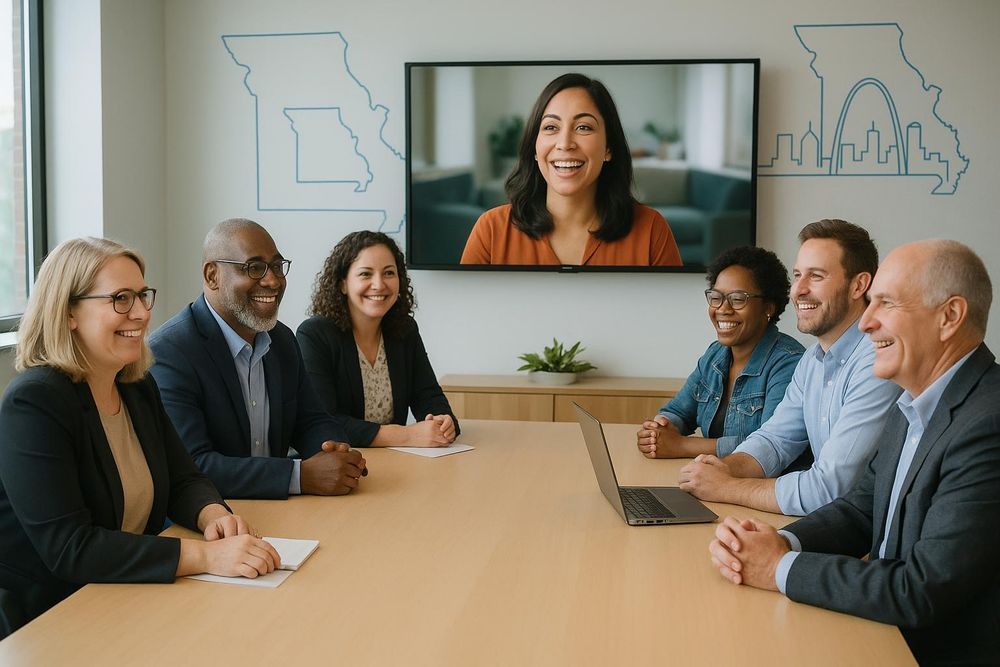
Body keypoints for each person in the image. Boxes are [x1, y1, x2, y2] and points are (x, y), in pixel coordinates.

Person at [709, 240, 1000, 664]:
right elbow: (861, 510)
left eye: (885, 303)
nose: (866, 322)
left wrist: (778, 568)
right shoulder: (914, 400)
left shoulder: (988, 423)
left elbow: (921, 589)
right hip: (883, 627)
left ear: (949, 317)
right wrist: (781, 542)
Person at [0, 238, 281, 633]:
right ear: (68, 314)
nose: (141, 313)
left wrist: (212, 513)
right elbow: (70, 549)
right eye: (120, 299)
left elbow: (183, 478)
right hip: (54, 615)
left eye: (142, 295)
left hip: (129, 595)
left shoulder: (135, 384)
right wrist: (205, 557)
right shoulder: (35, 403)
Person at [678, 220, 902, 515]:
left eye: (816, 276)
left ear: (859, 285)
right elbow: (775, 440)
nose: (799, 289)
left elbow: (829, 489)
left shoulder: (878, 361)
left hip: (868, 539)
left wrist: (726, 487)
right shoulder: (812, 361)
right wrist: (723, 467)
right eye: (798, 275)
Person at [148, 218, 366, 499]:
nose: (272, 280)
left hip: (280, 511)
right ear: (212, 275)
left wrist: (335, 452)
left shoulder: (282, 340)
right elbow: (192, 465)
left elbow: (311, 419)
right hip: (211, 520)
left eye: (277, 266)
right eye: (254, 268)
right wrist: (301, 476)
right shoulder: (170, 351)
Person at [460, 73, 682, 266]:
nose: (565, 143)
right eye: (550, 127)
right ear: (535, 149)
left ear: (608, 148)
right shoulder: (491, 230)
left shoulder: (652, 229)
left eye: (583, 127)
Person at [636, 246, 804, 460]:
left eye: (737, 298)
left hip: (761, 486)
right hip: (716, 476)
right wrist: (658, 430)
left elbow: (769, 444)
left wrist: (683, 446)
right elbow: (678, 411)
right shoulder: (716, 355)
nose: (723, 308)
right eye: (716, 297)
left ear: (768, 307)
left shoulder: (789, 363)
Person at [296, 231, 459, 447]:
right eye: (365, 274)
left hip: (394, 461)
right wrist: (407, 436)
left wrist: (443, 421)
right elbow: (324, 421)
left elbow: (428, 395)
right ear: (343, 283)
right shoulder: (315, 334)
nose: (379, 284)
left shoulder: (404, 330)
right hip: (339, 464)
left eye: (389, 273)